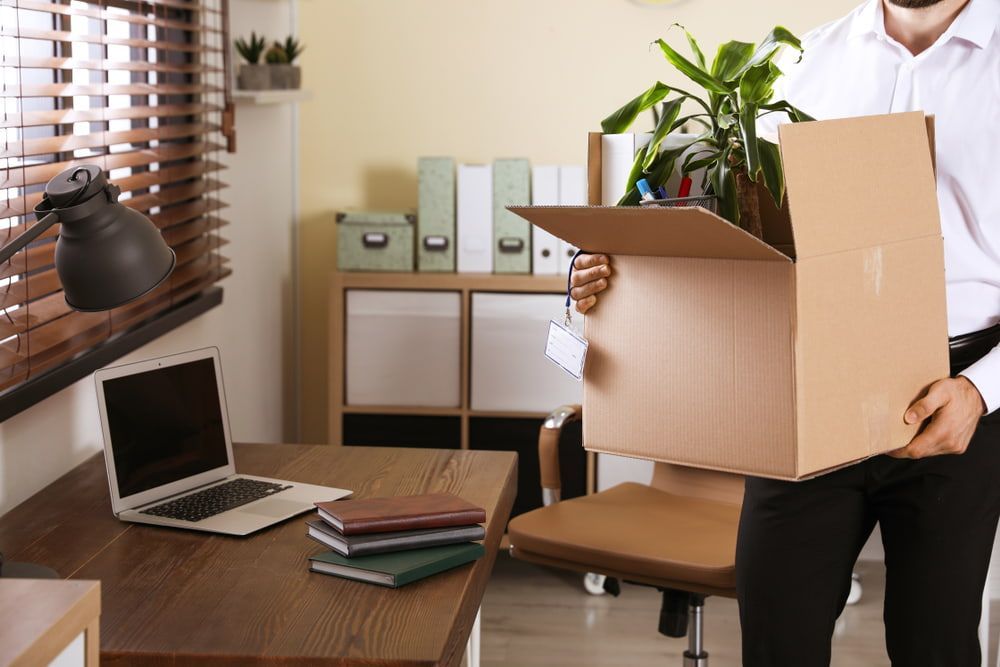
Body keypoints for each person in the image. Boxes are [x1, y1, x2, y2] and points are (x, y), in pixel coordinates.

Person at [570, 0, 1000, 664]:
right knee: (775, 633)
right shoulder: (798, 63)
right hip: (811, 391)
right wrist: (608, 267)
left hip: (958, 395)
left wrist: (979, 390)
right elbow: (743, 228)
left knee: (935, 643)